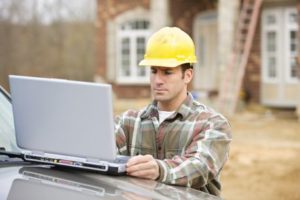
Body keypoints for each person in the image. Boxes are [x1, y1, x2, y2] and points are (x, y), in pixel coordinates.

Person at [114, 27, 232, 196]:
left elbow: (200, 166)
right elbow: (100, 155)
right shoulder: (128, 122)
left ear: (188, 75)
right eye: (153, 71)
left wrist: (160, 169)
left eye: (167, 72)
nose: (158, 80)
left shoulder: (213, 124)